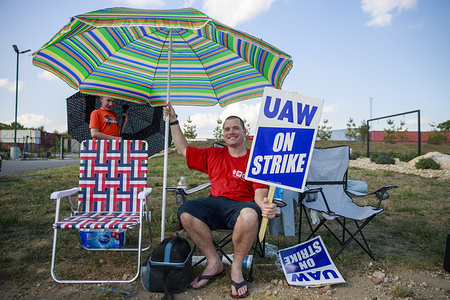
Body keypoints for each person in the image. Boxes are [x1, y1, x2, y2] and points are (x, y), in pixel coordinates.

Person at [163, 102, 277, 298]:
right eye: (227, 129)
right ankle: (214, 262)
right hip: (215, 204)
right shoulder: (213, 154)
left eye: (235, 128)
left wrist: (264, 206)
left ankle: (236, 268)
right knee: (187, 210)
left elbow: (259, 192)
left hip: (242, 207)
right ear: (223, 133)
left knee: (250, 215)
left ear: (244, 132)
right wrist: (173, 120)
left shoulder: (254, 158)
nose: (231, 132)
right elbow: (183, 150)